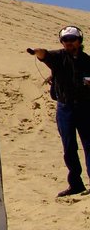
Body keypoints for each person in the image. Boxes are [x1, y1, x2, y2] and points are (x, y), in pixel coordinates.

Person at [29, 26, 90, 197]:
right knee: (69, 147)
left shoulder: (87, 61)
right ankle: (76, 185)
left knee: (89, 145)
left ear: (79, 41)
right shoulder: (58, 57)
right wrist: (37, 52)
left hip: (85, 108)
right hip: (65, 108)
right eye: (65, 40)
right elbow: (44, 55)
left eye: (72, 39)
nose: (69, 43)